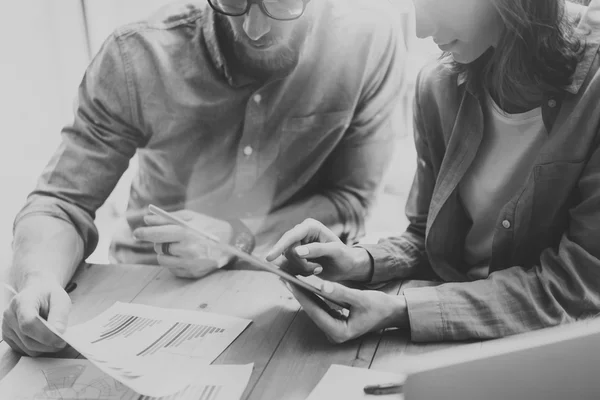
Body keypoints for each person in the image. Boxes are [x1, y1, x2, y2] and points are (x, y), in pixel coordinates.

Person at [2, 0, 406, 356]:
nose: (253, 27)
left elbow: (351, 199)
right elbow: (60, 203)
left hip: (288, 292)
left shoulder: (369, 39)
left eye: (280, 3)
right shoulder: (137, 56)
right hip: (148, 290)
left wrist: (236, 237)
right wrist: (38, 277)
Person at [268, 0, 600, 343]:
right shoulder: (437, 85)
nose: (420, 29)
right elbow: (429, 235)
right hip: (451, 324)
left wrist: (402, 310)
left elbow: (577, 286)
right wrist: (359, 260)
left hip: (555, 349)